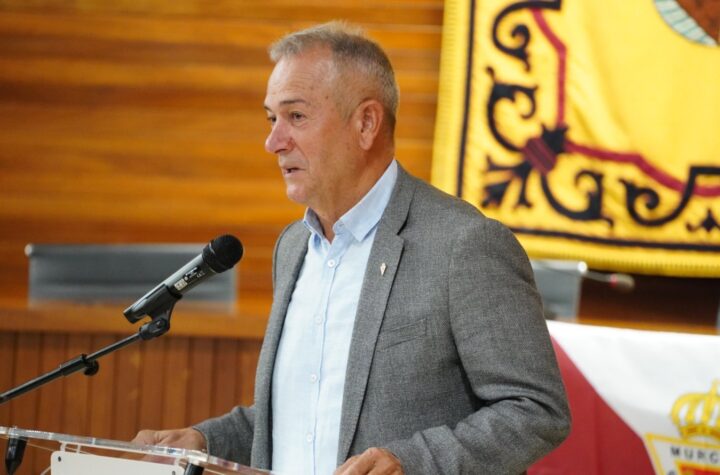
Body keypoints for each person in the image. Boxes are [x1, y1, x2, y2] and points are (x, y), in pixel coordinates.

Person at [133, 21, 570, 475]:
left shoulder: (464, 245)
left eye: (296, 117)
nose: (273, 142)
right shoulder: (293, 247)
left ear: (365, 123)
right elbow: (305, 415)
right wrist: (206, 439)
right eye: (271, 118)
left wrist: (413, 463)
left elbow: (535, 409)